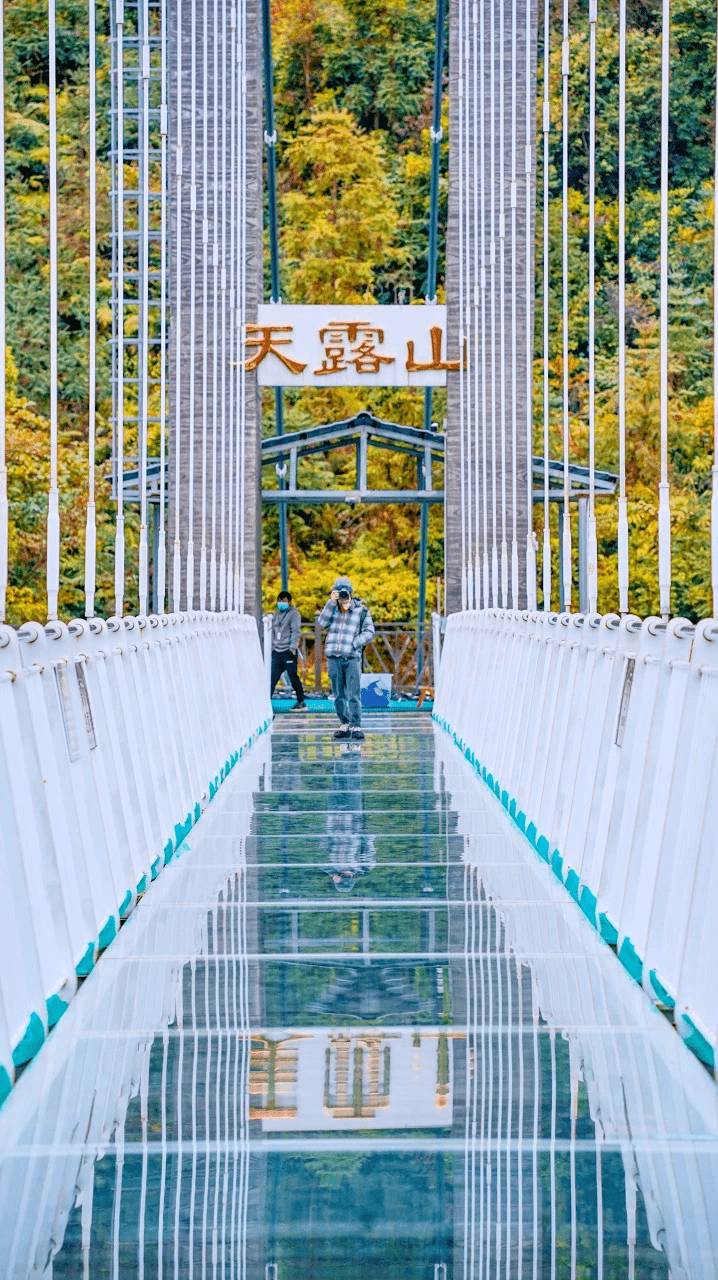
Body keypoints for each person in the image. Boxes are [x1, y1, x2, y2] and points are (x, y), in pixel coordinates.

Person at [318, 576, 375, 741]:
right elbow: (321, 623)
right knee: (338, 694)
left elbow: (369, 631)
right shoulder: (332, 609)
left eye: (345, 593)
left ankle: (356, 724)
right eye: (339, 592)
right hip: (333, 657)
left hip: (351, 658)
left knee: (353, 693)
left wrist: (355, 643)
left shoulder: (361, 610)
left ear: (351, 593)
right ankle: (344, 723)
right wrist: (330, 603)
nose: (343, 596)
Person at [270, 590, 306, 711]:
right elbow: (273, 631)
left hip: (288, 651)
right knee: (272, 677)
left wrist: (293, 647)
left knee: (292, 676)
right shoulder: (276, 614)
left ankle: (301, 701)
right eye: (279, 601)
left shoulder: (294, 614)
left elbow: (295, 631)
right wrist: (272, 647)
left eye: (284, 601)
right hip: (277, 650)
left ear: (289, 602)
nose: (281, 603)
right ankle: (266, 702)